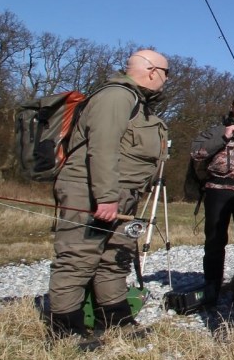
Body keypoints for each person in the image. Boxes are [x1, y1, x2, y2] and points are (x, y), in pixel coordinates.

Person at [46, 49, 170, 342]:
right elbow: (102, 149)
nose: (166, 80)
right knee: (78, 257)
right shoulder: (117, 97)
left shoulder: (136, 101)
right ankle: (66, 330)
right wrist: (106, 197)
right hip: (90, 194)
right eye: (166, 73)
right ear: (152, 71)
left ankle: (115, 319)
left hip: (122, 195)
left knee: (115, 257)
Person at [190, 92, 234, 308]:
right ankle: (212, 286)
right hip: (217, 190)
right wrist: (223, 136)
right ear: (232, 107)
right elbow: (196, 153)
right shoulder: (215, 130)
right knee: (214, 241)